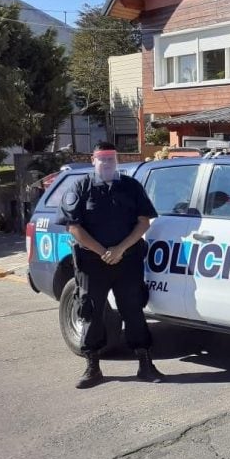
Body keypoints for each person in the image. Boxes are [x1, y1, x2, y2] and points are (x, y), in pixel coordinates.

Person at [58, 142, 163, 389]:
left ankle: (145, 364)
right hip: (92, 263)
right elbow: (73, 227)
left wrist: (120, 249)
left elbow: (144, 222)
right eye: (102, 159)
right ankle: (92, 367)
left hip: (127, 260)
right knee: (91, 312)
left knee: (134, 310)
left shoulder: (130, 186)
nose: (107, 163)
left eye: (111, 159)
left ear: (116, 160)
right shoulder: (80, 187)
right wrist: (103, 252)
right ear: (93, 160)